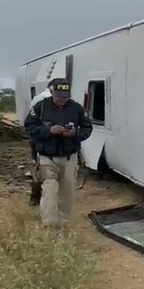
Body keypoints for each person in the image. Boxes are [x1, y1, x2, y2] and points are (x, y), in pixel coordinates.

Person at [24, 78, 93, 227]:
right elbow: (29, 127)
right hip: (47, 158)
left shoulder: (76, 108)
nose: (62, 100)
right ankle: (49, 224)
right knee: (49, 189)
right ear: (52, 92)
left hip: (69, 158)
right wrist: (48, 130)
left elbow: (87, 129)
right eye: (59, 96)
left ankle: (62, 225)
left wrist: (75, 134)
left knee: (66, 192)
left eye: (66, 97)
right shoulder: (40, 107)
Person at [25, 79, 58, 206]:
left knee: (39, 168)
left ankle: (36, 198)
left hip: (38, 138)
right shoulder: (45, 100)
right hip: (45, 140)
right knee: (44, 169)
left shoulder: (37, 98)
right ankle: (38, 197)